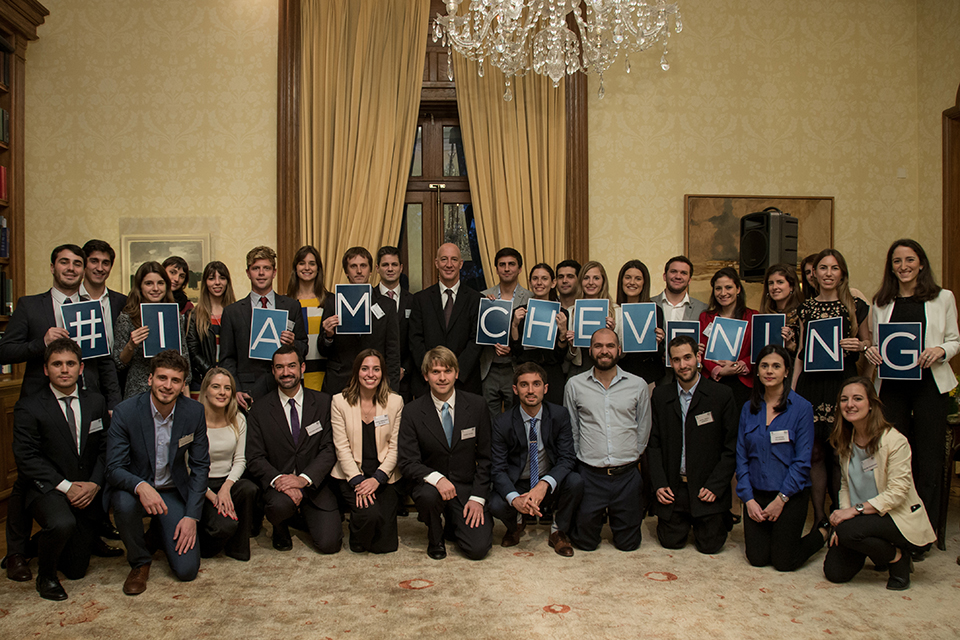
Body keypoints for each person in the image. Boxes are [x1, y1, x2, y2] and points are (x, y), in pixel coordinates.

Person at [864, 239, 959, 547]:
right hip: (891, 389)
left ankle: (924, 534)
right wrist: (872, 352)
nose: (903, 266)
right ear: (890, 267)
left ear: (921, 263)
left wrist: (940, 350)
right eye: (896, 262)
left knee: (929, 458)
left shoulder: (943, 297)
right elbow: (877, 344)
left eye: (909, 260)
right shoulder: (881, 302)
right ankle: (896, 526)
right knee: (892, 458)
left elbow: (955, 340)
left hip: (930, 387)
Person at [11, 339, 115, 600]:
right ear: (46, 370)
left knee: (77, 569)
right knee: (61, 523)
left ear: (81, 369)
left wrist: (95, 483)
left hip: (86, 489)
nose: (64, 370)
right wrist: (67, 488)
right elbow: (27, 458)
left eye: (70, 364)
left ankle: (42, 545)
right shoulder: (30, 406)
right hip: (48, 488)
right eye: (57, 364)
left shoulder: (96, 402)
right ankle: (45, 577)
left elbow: (105, 448)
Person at [105, 350, 209, 596]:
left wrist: (191, 517)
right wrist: (141, 487)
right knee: (123, 502)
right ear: (150, 379)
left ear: (183, 385)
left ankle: (158, 534)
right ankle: (140, 561)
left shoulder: (194, 412)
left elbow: (201, 466)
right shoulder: (126, 411)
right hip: (135, 490)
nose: (168, 386)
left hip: (172, 490)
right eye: (162, 378)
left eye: (175, 380)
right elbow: (113, 468)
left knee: (187, 571)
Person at [823, 377, 936, 590]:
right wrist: (842, 518)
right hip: (861, 518)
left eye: (857, 398)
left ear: (871, 405)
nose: (850, 404)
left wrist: (852, 513)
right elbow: (845, 486)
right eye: (844, 399)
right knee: (835, 572)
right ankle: (878, 550)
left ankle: (897, 557)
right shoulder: (846, 439)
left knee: (848, 532)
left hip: (894, 515)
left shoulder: (894, 441)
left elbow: (897, 493)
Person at [793, 249, 870, 528]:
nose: (827, 273)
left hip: (842, 385)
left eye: (834, 268)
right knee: (814, 453)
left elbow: (869, 346)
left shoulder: (856, 306)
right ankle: (820, 518)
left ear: (842, 274)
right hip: (811, 386)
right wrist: (792, 393)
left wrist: (859, 346)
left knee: (839, 453)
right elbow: (801, 351)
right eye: (822, 268)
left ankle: (842, 515)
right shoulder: (806, 309)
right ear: (814, 274)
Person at [737, 344, 827, 571]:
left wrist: (781, 500)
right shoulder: (749, 408)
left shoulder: (802, 408)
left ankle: (822, 533)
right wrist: (748, 499)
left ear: (786, 372)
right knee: (757, 558)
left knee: (783, 563)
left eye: (776, 366)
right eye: (765, 366)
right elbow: (741, 456)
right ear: (757, 372)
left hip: (790, 495)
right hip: (757, 495)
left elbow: (802, 461)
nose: (769, 371)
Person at [398, 346, 493, 560]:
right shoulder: (412, 411)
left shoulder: (477, 405)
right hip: (430, 487)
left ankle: (453, 521)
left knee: (477, 550)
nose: (442, 378)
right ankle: (435, 536)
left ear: (457, 373)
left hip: (466, 487)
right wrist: (437, 478)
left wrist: (478, 498)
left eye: (447, 371)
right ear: (425, 376)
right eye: (435, 372)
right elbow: (407, 461)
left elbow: (487, 458)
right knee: (428, 496)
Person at [245, 345, 341, 554]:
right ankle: (281, 525)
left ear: (302, 367)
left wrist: (303, 479)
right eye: (279, 367)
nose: (286, 372)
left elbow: (329, 449)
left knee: (329, 545)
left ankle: (299, 516)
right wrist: (282, 481)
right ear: (273, 370)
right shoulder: (259, 410)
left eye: (291, 366)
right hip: (280, 489)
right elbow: (255, 457)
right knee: (279, 507)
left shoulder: (324, 403)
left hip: (315, 486)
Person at [0, 244, 121, 407]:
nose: (71, 268)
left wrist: (113, 403)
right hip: (40, 403)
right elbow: (5, 351)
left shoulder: (92, 307)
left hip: (88, 401)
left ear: (83, 270)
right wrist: (42, 343)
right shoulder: (29, 306)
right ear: (52, 267)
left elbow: (105, 362)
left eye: (77, 264)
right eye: (64, 262)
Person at [648, 336, 737, 554]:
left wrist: (715, 486)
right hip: (675, 487)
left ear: (698, 358)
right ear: (670, 363)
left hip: (707, 488)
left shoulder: (721, 395)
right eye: (676, 360)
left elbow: (732, 447)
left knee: (710, 546)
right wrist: (659, 484)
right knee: (671, 542)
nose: (683, 365)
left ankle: (718, 515)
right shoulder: (661, 395)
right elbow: (654, 445)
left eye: (687, 357)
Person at [564, 328, 651, 551]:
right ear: (590, 350)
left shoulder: (638, 384)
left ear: (619, 350)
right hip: (590, 475)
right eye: (599, 346)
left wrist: (632, 455)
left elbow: (644, 426)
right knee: (585, 544)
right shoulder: (575, 385)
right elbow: (572, 428)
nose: (604, 351)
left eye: (610, 346)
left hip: (627, 477)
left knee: (629, 545)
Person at [490, 362, 582, 556]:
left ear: (545, 388)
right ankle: (515, 524)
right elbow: (497, 469)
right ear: (515, 389)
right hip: (519, 483)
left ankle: (558, 531)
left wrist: (543, 484)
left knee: (575, 481)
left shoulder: (559, 415)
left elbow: (567, 458)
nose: (530, 390)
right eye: (524, 385)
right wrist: (515, 499)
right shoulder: (502, 422)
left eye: (536, 384)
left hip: (547, 482)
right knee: (496, 502)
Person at [330, 349, 403, 553]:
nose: (370, 374)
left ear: (383, 373)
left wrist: (378, 478)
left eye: (376, 369)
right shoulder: (339, 402)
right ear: (356, 372)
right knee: (369, 515)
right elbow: (341, 446)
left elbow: (396, 446)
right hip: (352, 474)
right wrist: (358, 481)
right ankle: (358, 537)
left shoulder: (395, 402)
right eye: (365, 369)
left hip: (384, 475)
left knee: (385, 545)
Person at [220, 246, 308, 409]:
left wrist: (293, 343)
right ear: (248, 273)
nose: (261, 273)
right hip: (248, 391)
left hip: (285, 386)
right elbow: (227, 358)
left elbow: (304, 348)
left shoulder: (291, 306)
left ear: (274, 272)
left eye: (266, 268)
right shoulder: (232, 312)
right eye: (256, 269)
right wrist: (235, 389)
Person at [319, 246, 401, 396]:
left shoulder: (387, 305)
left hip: (374, 383)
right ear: (346, 272)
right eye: (353, 266)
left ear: (371, 270)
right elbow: (322, 350)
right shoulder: (333, 302)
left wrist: (392, 390)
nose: (358, 271)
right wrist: (328, 336)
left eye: (363, 266)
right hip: (339, 382)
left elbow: (393, 353)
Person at [197, 367, 257, 561]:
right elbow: (187, 467)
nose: (222, 392)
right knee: (224, 527)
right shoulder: (192, 419)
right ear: (205, 390)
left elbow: (240, 460)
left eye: (227, 388)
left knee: (249, 488)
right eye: (216, 387)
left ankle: (238, 548)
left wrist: (226, 488)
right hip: (200, 485)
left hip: (227, 481)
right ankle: (206, 545)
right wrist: (214, 497)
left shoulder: (238, 418)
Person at [408, 243, 482, 397]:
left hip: (465, 382)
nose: (449, 265)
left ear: (461, 264)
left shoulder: (476, 300)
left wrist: (455, 373)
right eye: (444, 259)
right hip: (427, 383)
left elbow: (476, 341)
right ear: (436, 263)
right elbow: (415, 339)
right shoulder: (421, 299)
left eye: (454, 259)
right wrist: (432, 372)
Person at [113, 261, 191, 399]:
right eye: (149, 283)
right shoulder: (127, 317)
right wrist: (131, 345)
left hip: (170, 391)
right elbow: (119, 363)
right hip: (138, 391)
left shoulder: (175, 316)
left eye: (160, 283)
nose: (155, 288)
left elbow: (183, 355)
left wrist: (186, 393)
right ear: (140, 287)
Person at [480, 247, 531, 417]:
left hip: (516, 368)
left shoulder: (531, 298)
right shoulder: (484, 297)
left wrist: (513, 347)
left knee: (516, 417)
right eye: (502, 265)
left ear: (520, 269)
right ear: (496, 269)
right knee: (488, 420)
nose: (507, 269)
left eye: (511, 264)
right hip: (489, 368)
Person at [510, 263, 570, 406]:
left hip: (552, 374)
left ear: (553, 282)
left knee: (554, 418)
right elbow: (516, 351)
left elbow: (560, 356)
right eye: (535, 279)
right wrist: (514, 325)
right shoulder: (520, 312)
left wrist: (563, 332)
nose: (539, 283)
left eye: (544, 278)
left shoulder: (562, 313)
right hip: (525, 374)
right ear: (530, 282)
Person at [698, 267, 756, 410]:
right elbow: (702, 351)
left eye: (728, 287)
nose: (723, 293)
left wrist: (743, 364)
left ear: (738, 289)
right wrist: (719, 370)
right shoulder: (705, 317)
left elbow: (759, 349)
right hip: (714, 381)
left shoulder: (753, 316)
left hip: (743, 382)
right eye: (718, 288)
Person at [614, 259, 666, 387]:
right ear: (621, 281)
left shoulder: (654, 310)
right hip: (618, 376)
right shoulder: (613, 310)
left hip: (647, 377)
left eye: (638, 279)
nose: (632, 282)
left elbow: (659, 353)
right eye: (628, 278)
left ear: (644, 283)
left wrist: (659, 341)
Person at [186, 261, 235, 395]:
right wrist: (211, 372)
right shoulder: (195, 315)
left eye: (222, 278)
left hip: (231, 381)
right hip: (202, 382)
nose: (217, 282)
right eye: (211, 278)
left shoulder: (237, 312)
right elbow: (192, 350)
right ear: (205, 283)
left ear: (227, 282)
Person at [286, 245, 329, 392]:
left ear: (318, 268)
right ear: (295, 268)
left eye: (312, 263)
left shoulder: (330, 301)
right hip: (294, 371)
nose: (307, 268)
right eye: (302, 263)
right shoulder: (285, 303)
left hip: (325, 372)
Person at [566, 261, 617, 378]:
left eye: (596, 278)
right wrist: (572, 347)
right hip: (579, 370)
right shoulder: (571, 311)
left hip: (608, 371)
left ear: (603, 281)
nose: (591, 282)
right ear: (580, 282)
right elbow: (568, 358)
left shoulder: (616, 311)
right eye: (586, 278)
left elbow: (623, 354)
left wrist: (612, 335)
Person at [376, 246, 414, 402]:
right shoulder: (368, 299)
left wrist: (404, 368)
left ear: (401, 268)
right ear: (377, 268)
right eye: (385, 265)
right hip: (373, 377)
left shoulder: (413, 301)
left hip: (405, 380)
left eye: (394, 264)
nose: (390, 269)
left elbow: (417, 339)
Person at [80, 239, 127, 356]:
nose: (100, 268)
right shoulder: (70, 300)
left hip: (114, 371)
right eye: (94, 261)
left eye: (105, 263)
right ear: (84, 264)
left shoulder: (123, 302)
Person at [758, 263, 803, 358]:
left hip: (792, 369)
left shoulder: (801, 314)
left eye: (780, 282)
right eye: (771, 283)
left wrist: (790, 345)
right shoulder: (764, 315)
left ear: (791, 286)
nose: (774, 287)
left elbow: (808, 353)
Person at [652, 256, 708, 323]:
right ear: (664, 276)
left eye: (683, 273)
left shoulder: (702, 309)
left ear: (689, 280)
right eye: (673, 271)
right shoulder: (649, 304)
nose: (678, 276)